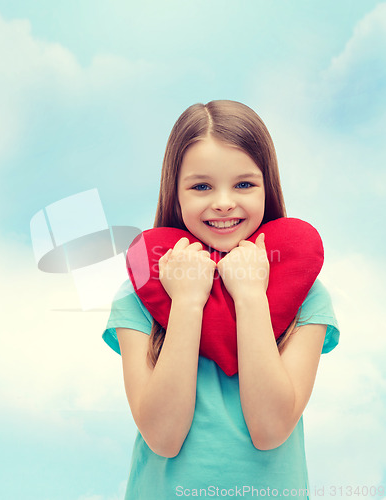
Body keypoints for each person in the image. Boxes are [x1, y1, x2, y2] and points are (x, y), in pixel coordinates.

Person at [102, 100, 340, 499]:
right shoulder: (139, 294)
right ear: (175, 195)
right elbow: (162, 437)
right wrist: (187, 303)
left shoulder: (307, 294)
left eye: (244, 184)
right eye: (201, 186)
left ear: (268, 187)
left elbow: (270, 430)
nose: (224, 202)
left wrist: (250, 296)